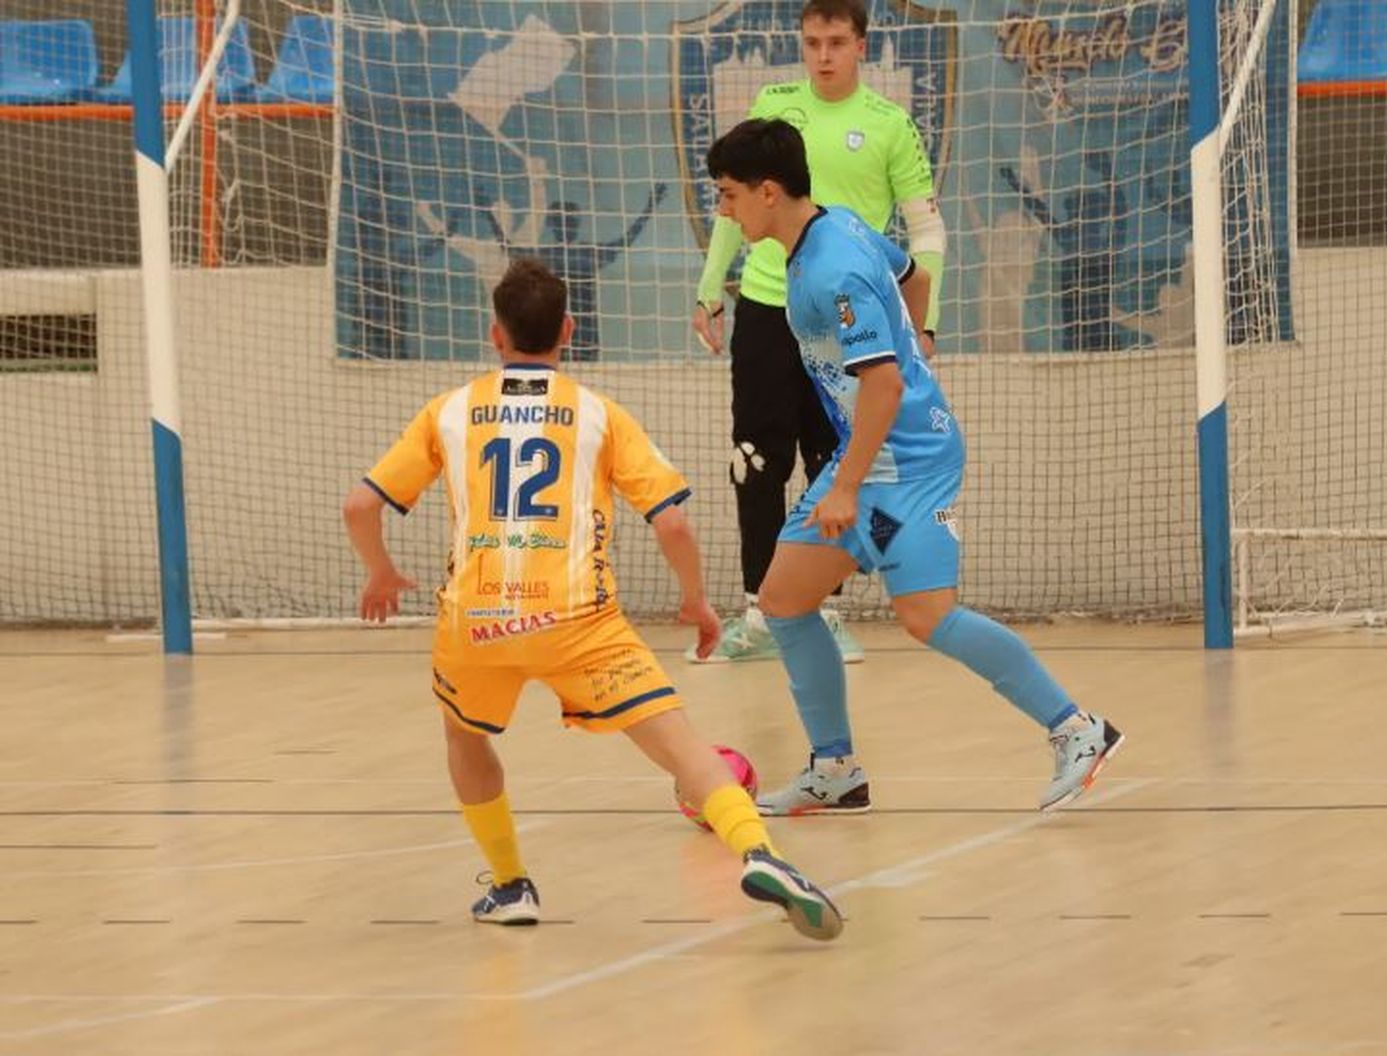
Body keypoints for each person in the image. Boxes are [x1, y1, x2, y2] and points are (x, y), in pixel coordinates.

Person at [341, 258, 843, 940]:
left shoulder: (450, 411)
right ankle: (760, 852)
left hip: (476, 619)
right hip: (578, 619)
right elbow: (671, 521)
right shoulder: (598, 415)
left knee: (465, 736)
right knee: (678, 742)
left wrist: (380, 573)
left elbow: (359, 505)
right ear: (569, 330)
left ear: (495, 335)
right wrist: (696, 602)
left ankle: (512, 884)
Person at [705, 118, 1124, 816]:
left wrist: (845, 482)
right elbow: (913, 276)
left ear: (768, 192)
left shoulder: (832, 268)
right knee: (782, 600)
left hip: (909, 462)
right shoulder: (835, 230)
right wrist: (917, 339)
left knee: (927, 616)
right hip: (867, 454)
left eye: (727, 195)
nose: (723, 209)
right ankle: (834, 767)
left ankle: (1079, 730)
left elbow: (885, 384)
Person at [689, 0, 948, 663]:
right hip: (770, 306)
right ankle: (757, 609)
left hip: (846, 318)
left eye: (836, 41)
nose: (823, 54)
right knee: (754, 456)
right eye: (812, 43)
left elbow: (924, 233)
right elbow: (731, 201)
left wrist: (925, 325)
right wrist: (710, 286)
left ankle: (820, 609)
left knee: (830, 457)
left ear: (862, 46)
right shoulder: (774, 107)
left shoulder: (890, 125)